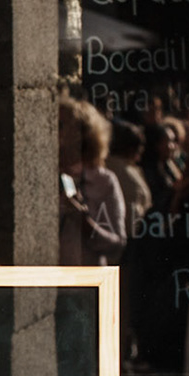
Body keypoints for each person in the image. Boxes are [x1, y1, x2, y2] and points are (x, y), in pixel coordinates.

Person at [58, 95, 126, 266]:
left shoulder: (104, 181)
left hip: (86, 284)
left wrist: (86, 223)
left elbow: (117, 246)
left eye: (61, 126)